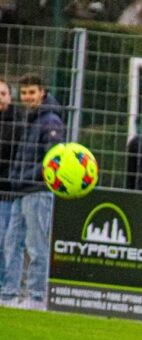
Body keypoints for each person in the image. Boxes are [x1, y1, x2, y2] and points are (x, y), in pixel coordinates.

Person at [1, 73, 64, 308]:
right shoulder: (32, 119)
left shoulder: (51, 121)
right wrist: (16, 179)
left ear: (42, 92)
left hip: (37, 190)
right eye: (24, 93)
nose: (27, 97)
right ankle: (9, 294)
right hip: (21, 190)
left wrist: (24, 177)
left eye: (32, 92)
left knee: (36, 246)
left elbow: (53, 160)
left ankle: (36, 297)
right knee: (12, 243)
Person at [0, 78, 19, 290]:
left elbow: (7, 155)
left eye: (3, 93)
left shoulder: (16, 122)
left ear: (10, 97)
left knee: (5, 242)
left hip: (5, 191)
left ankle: (6, 288)